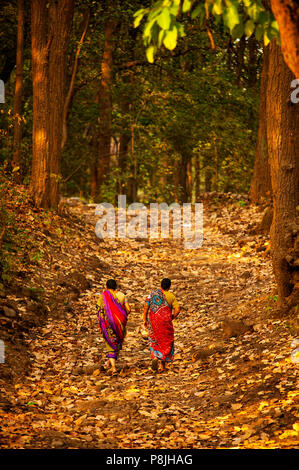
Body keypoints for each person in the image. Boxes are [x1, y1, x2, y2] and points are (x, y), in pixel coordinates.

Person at [143, 278, 180, 373]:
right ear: (169, 286)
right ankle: (162, 365)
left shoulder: (152, 293)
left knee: (154, 339)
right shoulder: (171, 296)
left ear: (161, 285)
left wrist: (144, 318)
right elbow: (177, 309)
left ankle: (155, 357)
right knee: (166, 341)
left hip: (154, 321)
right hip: (166, 322)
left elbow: (146, 305)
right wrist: (172, 317)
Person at [96, 279, 131, 375]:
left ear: (106, 287)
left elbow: (100, 312)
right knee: (117, 342)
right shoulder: (122, 296)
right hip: (120, 324)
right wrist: (121, 316)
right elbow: (128, 309)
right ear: (116, 287)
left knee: (110, 344)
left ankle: (114, 368)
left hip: (108, 324)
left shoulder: (103, 297)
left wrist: (100, 324)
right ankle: (109, 364)